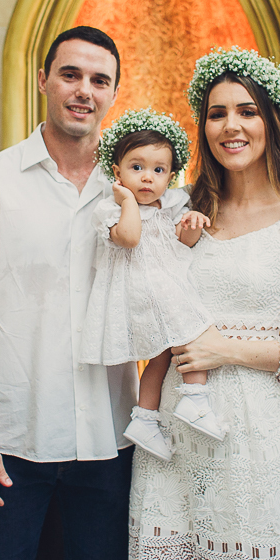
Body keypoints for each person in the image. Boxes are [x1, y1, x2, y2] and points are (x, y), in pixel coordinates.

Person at [129, 46, 280, 560]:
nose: (231, 126)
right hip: (176, 426)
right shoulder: (176, 209)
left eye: (247, 111)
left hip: (259, 426)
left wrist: (227, 350)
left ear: (272, 121)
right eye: (217, 112)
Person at [0, 25, 137, 560]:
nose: (84, 90)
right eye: (70, 74)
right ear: (43, 79)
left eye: (100, 80)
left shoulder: (133, 191)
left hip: (108, 436)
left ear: (113, 94)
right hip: (9, 441)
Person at [80, 108, 221, 463]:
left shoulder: (170, 204)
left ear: (171, 176)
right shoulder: (110, 210)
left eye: (158, 170)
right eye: (136, 167)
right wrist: (126, 200)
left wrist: (192, 223)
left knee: (160, 359)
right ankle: (195, 397)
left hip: (164, 288)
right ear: (117, 172)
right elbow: (128, 239)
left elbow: (182, 243)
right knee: (197, 327)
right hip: (144, 294)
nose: (147, 178)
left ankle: (145, 417)